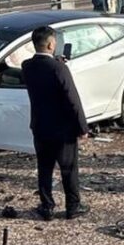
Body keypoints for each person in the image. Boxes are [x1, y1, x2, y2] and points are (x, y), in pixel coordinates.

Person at [21, 26, 90, 220]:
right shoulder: (59, 68)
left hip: (40, 127)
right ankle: (73, 207)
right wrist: (82, 127)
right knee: (68, 169)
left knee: (44, 168)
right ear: (51, 44)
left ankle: (47, 206)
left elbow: (43, 72)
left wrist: (57, 62)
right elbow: (72, 99)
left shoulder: (27, 67)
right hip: (63, 130)